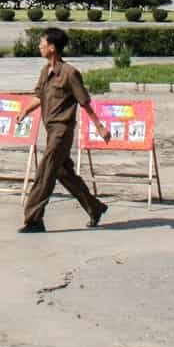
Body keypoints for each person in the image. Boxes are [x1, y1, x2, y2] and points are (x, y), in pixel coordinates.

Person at [17, 27, 111, 233]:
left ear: (52, 47)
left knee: (45, 172)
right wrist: (25, 111)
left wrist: (99, 126)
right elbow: (39, 97)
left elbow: (84, 102)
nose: (40, 46)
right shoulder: (45, 72)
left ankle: (34, 218)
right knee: (63, 172)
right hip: (50, 129)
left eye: (42, 43)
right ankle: (95, 208)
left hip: (62, 130)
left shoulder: (69, 73)